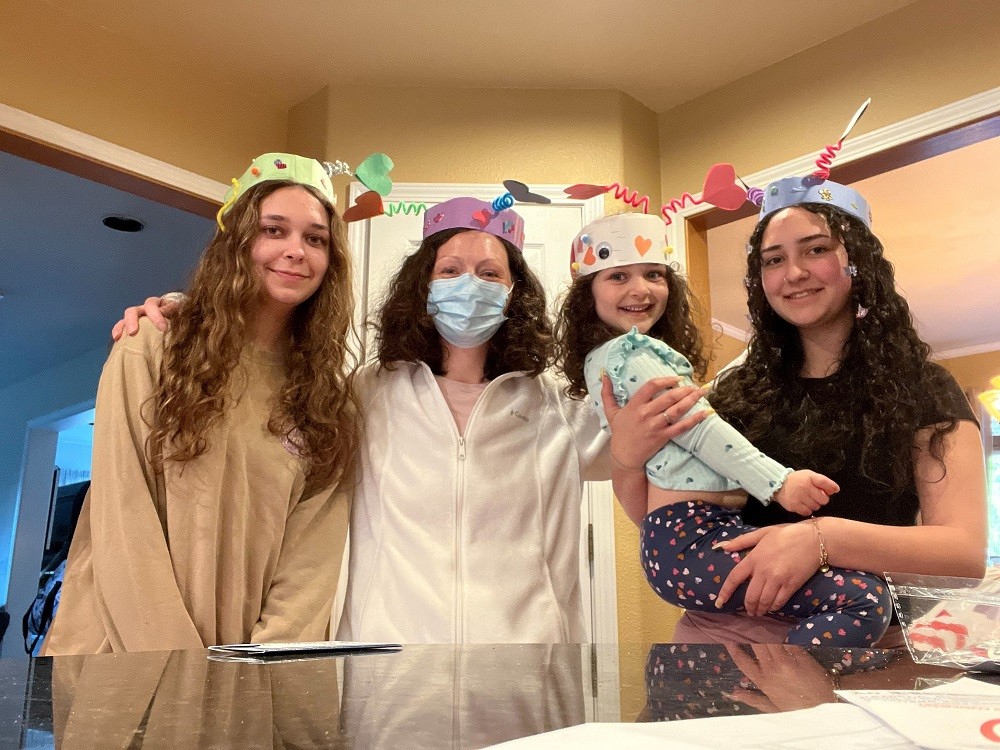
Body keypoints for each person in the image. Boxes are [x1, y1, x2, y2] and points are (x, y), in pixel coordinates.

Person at [112, 195, 711, 643]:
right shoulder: (364, 395)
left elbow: (662, 462)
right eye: (449, 271)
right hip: (387, 679)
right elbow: (266, 389)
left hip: (527, 675)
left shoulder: (558, 407)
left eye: (489, 273)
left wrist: (641, 318)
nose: (468, 286)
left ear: (513, 293)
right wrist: (184, 310)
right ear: (420, 289)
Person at [609, 176, 987, 644]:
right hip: (723, 647)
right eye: (774, 260)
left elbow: (965, 553)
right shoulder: (731, 392)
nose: (793, 273)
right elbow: (660, 521)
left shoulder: (925, 389)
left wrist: (819, 539)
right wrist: (625, 458)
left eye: (815, 250)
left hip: (855, 647)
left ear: (858, 264)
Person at [44, 153, 358, 654]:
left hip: (249, 672)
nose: (296, 250)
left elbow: (311, 563)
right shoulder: (151, 345)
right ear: (236, 242)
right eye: (273, 230)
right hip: (126, 654)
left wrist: (259, 670)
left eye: (315, 238)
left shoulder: (327, 401)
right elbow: (123, 519)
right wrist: (182, 671)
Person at [554, 212, 891, 647]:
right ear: (589, 295)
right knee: (863, 599)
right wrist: (780, 483)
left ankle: (782, 687)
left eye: (654, 274)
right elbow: (699, 431)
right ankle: (786, 687)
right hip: (690, 537)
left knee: (859, 595)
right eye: (617, 276)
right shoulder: (629, 354)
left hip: (687, 541)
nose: (640, 289)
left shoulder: (641, 358)